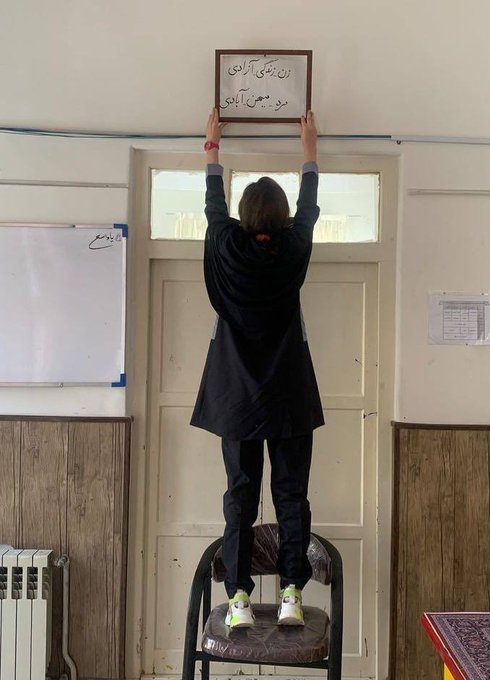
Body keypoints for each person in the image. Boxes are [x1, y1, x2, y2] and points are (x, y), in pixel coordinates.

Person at [190, 108, 324, 629]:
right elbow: (310, 208)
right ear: (281, 217)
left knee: (240, 495)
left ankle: (238, 600)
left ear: (245, 217)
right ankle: (291, 592)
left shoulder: (226, 246)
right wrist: (309, 149)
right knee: (291, 494)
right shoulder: (293, 248)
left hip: (236, 398)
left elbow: (212, 206)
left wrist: (212, 148)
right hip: (288, 395)